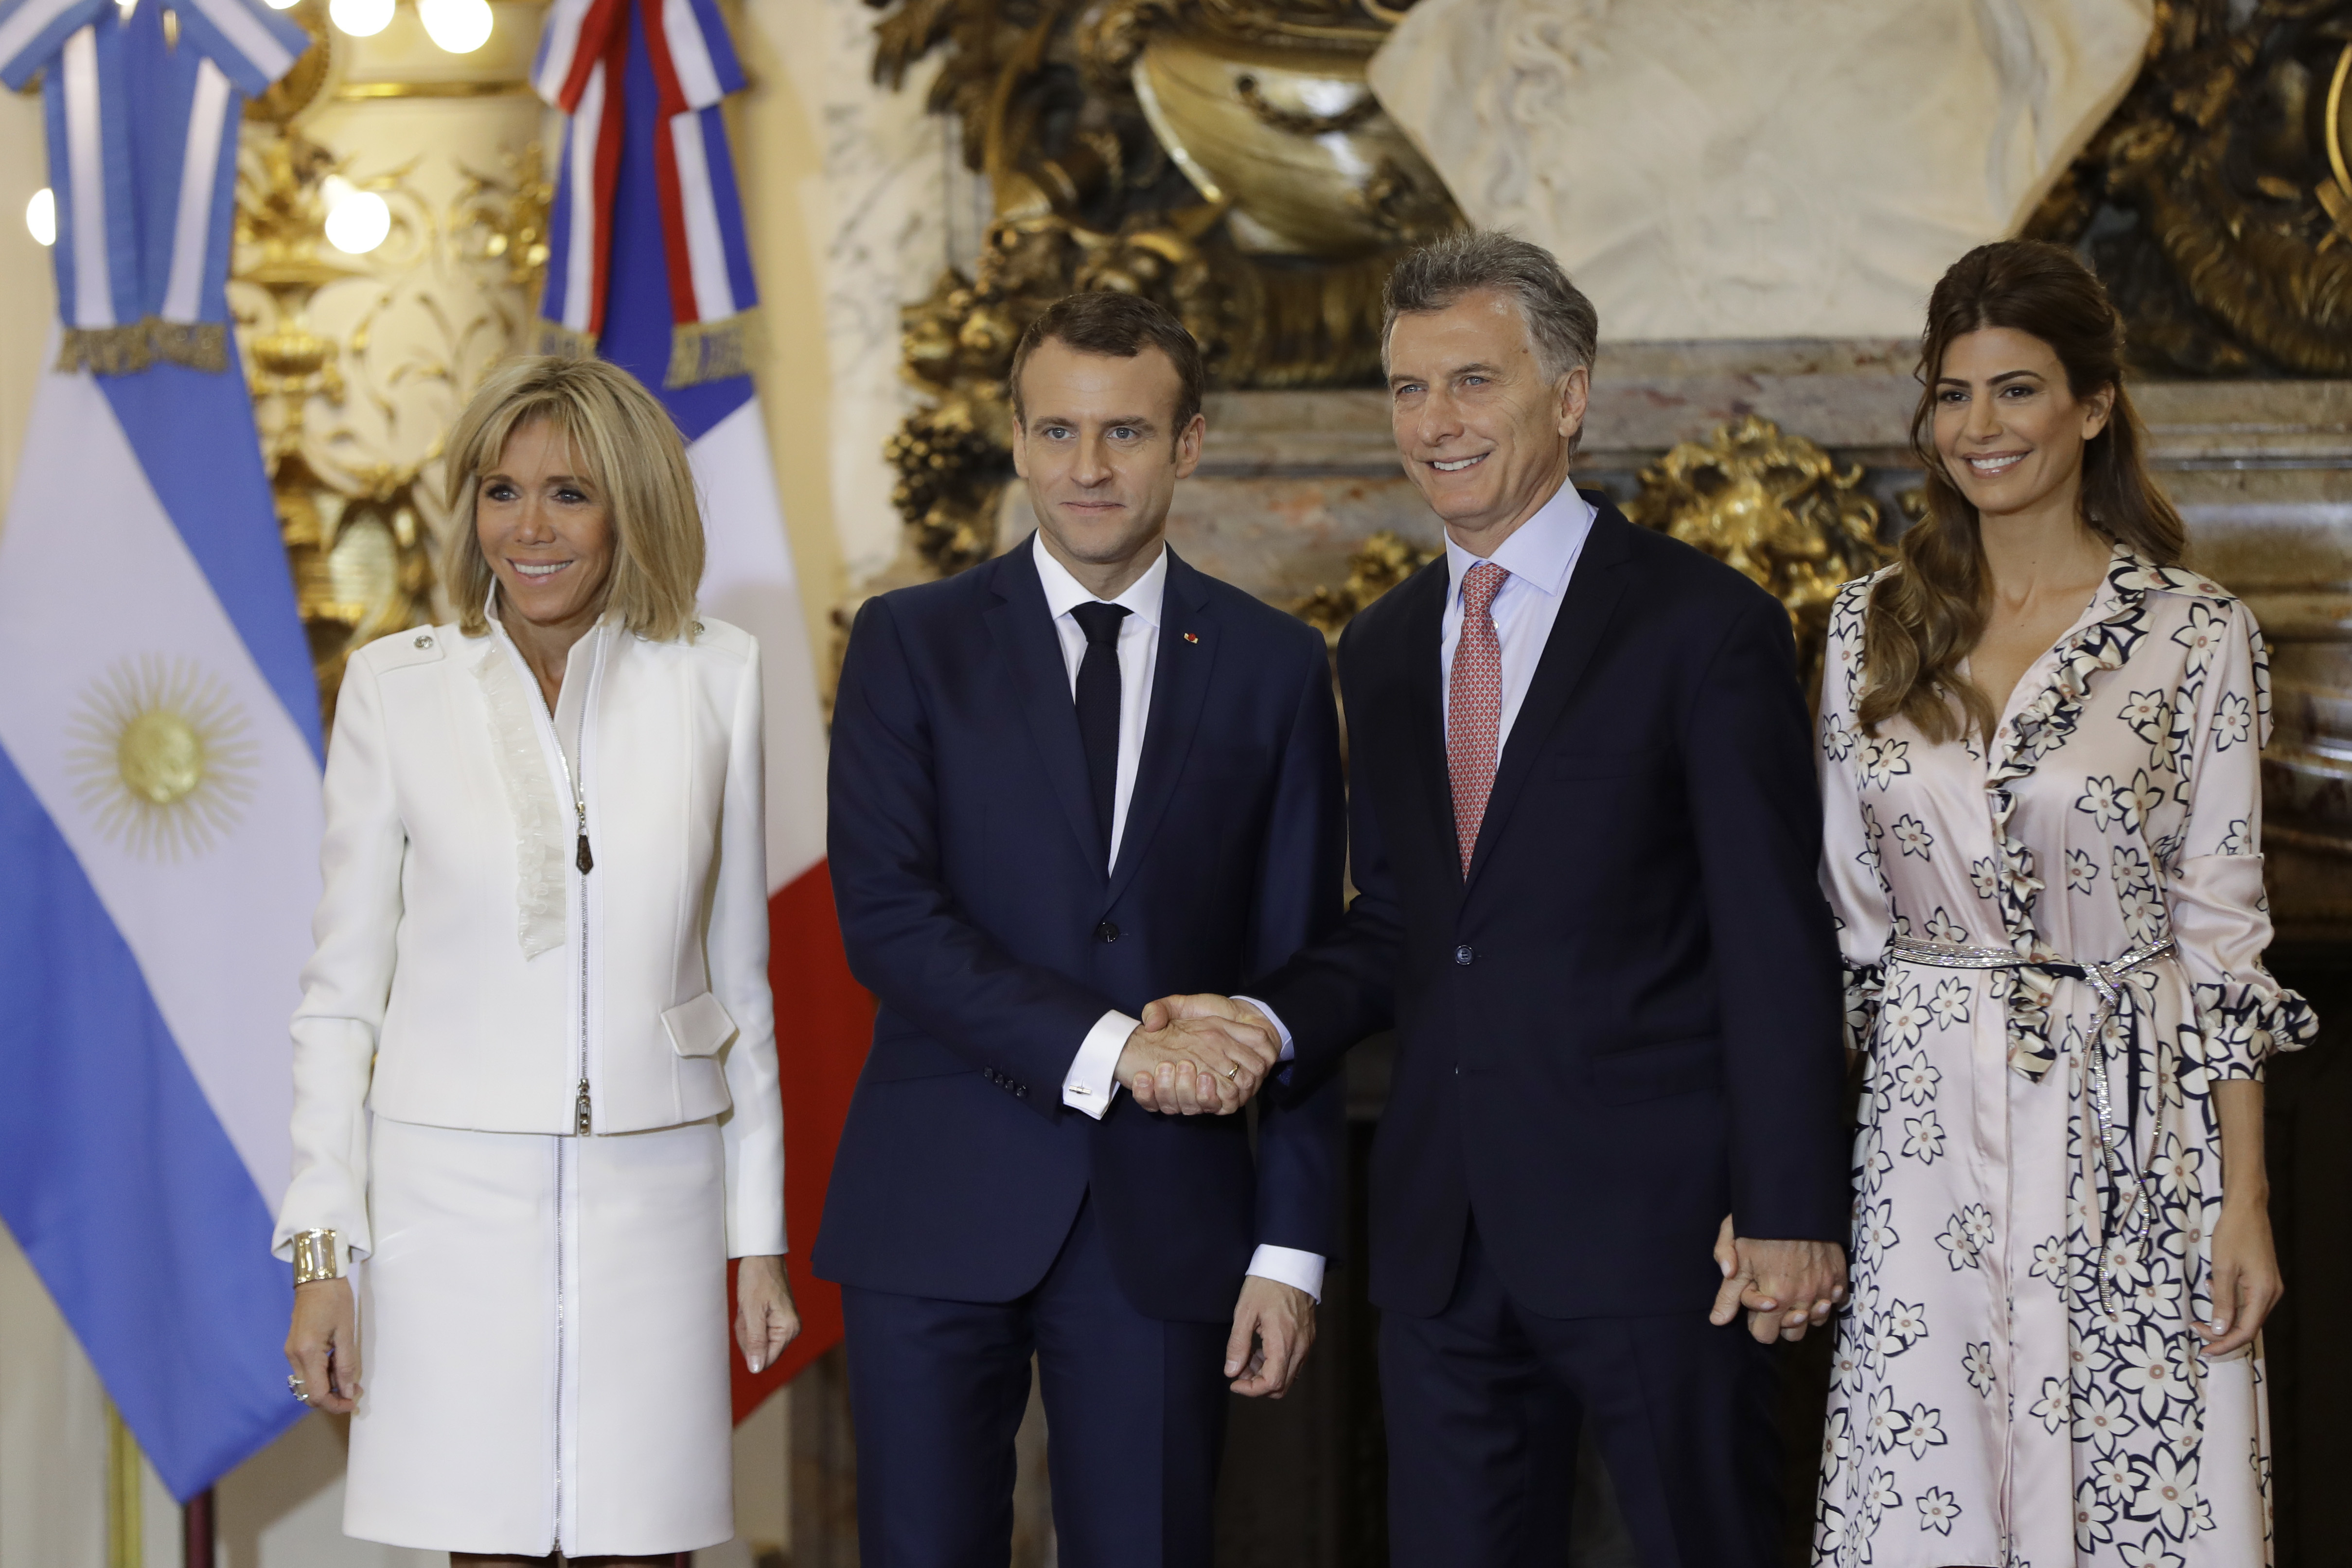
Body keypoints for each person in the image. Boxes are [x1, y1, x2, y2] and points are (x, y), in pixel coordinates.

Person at [1146, 231, 1851, 1566]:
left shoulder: (1703, 626)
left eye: (1470, 381)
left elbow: (1772, 934)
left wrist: (1789, 1204)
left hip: (1664, 1238)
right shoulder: (1386, 642)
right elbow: (1412, 922)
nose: (1434, 422)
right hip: (1442, 1238)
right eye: (1407, 390)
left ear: (1568, 396)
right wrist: (1257, 1016)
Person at [813, 290, 1346, 1566]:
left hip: (1166, 1222)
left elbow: (1300, 976)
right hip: (933, 1201)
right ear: (1015, 439)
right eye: (1057, 431)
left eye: (1123, 433)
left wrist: (1291, 1248)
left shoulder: (1274, 665)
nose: (1087, 467)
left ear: (1188, 444)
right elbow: (886, 920)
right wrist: (1113, 1049)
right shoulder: (907, 643)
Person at [1809, 240, 2316, 1567]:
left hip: (2133, 1127)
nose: (1978, 429)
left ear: (2091, 404)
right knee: (1925, 1486)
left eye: (2015, 390)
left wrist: (2241, 1199)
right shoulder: (1866, 626)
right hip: (1922, 1135)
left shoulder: (2193, 634)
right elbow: (1853, 921)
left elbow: (2220, 941)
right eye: (1952, 394)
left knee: (2138, 1494)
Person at [274, 355, 796, 1565]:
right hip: (443, 1205)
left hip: (657, 1196)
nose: (528, 527)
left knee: (648, 1547)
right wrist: (322, 1253)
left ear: (631, 502)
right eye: (500, 491)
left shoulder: (718, 675)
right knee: (486, 1548)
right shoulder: (394, 688)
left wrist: (754, 1233)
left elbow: (743, 987)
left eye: (569, 492)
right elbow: (339, 1003)